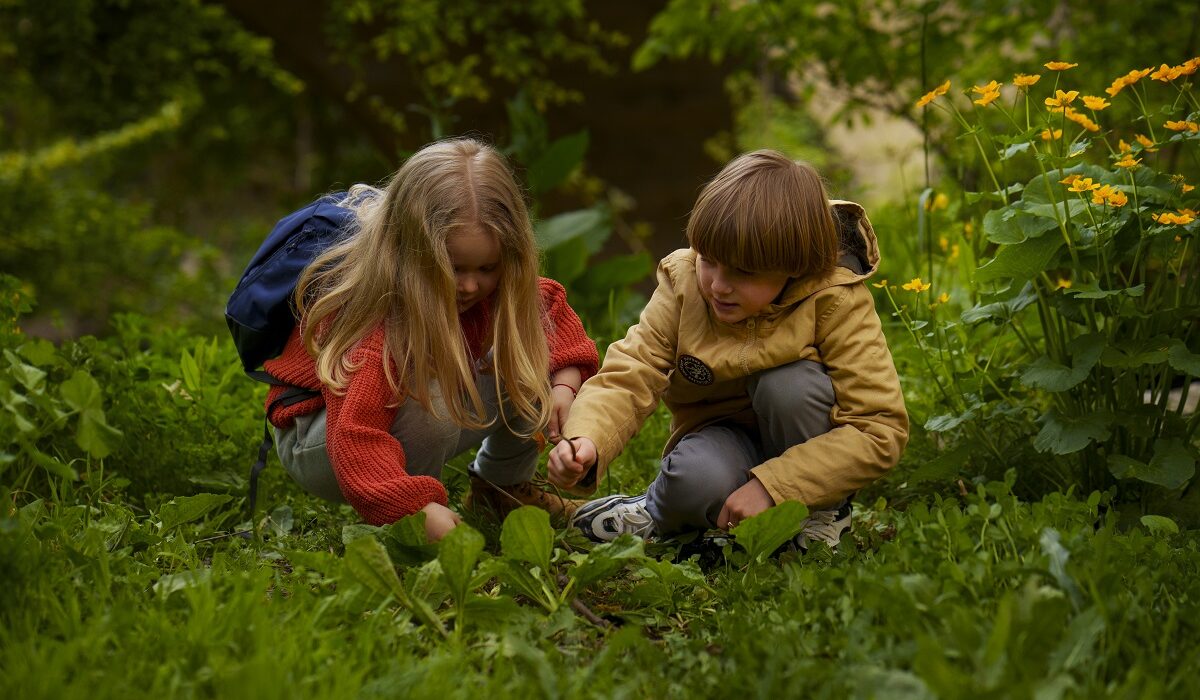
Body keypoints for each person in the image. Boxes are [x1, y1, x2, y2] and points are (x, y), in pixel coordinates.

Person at [547, 149, 908, 549]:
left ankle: (821, 513)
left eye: (744, 273)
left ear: (796, 265)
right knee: (692, 482)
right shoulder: (684, 284)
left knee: (788, 385)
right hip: (721, 436)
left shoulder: (836, 297)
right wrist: (587, 439)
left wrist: (775, 487)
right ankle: (655, 510)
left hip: (808, 442)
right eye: (710, 261)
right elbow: (633, 369)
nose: (718, 285)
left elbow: (878, 427)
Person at [264, 138, 598, 542]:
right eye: (453, 268)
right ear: (412, 251)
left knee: (527, 351)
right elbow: (356, 436)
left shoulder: (499, 286)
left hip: (391, 410)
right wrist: (415, 509)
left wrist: (564, 384)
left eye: (487, 267)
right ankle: (412, 526)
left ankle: (501, 489)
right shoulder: (380, 324)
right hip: (325, 438)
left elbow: (551, 314)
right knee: (431, 404)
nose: (472, 285)